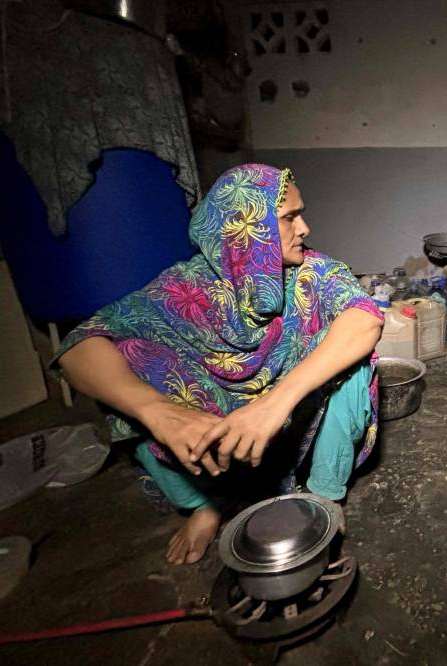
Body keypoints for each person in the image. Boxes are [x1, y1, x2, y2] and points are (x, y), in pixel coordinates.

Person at [56, 164, 383, 564]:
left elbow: (365, 318)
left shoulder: (313, 274)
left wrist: (275, 402)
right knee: (124, 369)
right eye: (289, 217)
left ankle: (322, 496)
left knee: (353, 356)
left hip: (295, 426)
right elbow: (77, 349)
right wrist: (157, 411)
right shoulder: (186, 288)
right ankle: (203, 504)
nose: (305, 228)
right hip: (219, 440)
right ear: (246, 230)